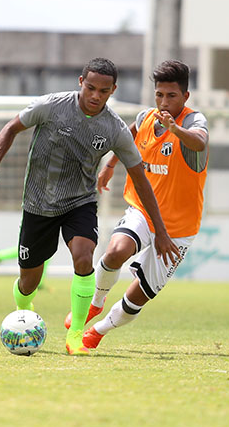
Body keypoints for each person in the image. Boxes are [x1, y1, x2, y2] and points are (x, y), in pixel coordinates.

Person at [0, 57, 179, 355]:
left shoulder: (115, 128)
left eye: (104, 90)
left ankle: (75, 336)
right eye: (91, 88)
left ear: (113, 90)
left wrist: (160, 230)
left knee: (84, 259)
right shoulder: (52, 106)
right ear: (81, 83)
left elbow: (141, 178)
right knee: (28, 281)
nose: (96, 95)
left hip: (79, 202)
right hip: (38, 203)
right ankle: (23, 309)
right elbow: (10, 128)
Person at [74, 60, 208, 351]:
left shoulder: (192, 122)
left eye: (171, 96)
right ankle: (95, 303)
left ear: (185, 97)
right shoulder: (148, 117)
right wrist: (110, 164)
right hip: (144, 212)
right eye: (159, 94)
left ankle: (97, 331)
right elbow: (131, 131)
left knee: (139, 296)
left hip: (178, 229)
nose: (164, 101)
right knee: (115, 250)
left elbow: (199, 143)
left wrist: (176, 129)